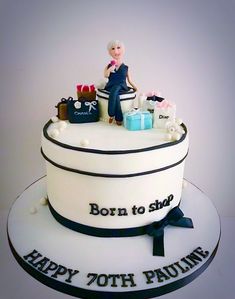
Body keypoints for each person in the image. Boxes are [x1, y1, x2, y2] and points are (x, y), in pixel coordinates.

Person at [104, 40, 137, 125]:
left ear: (123, 50)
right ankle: (118, 118)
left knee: (115, 89)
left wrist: (134, 86)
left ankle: (111, 114)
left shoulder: (126, 67)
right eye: (113, 48)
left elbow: (129, 80)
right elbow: (106, 75)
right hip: (111, 85)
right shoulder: (109, 66)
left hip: (122, 85)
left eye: (118, 48)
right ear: (109, 52)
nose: (116, 51)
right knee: (116, 94)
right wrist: (110, 69)